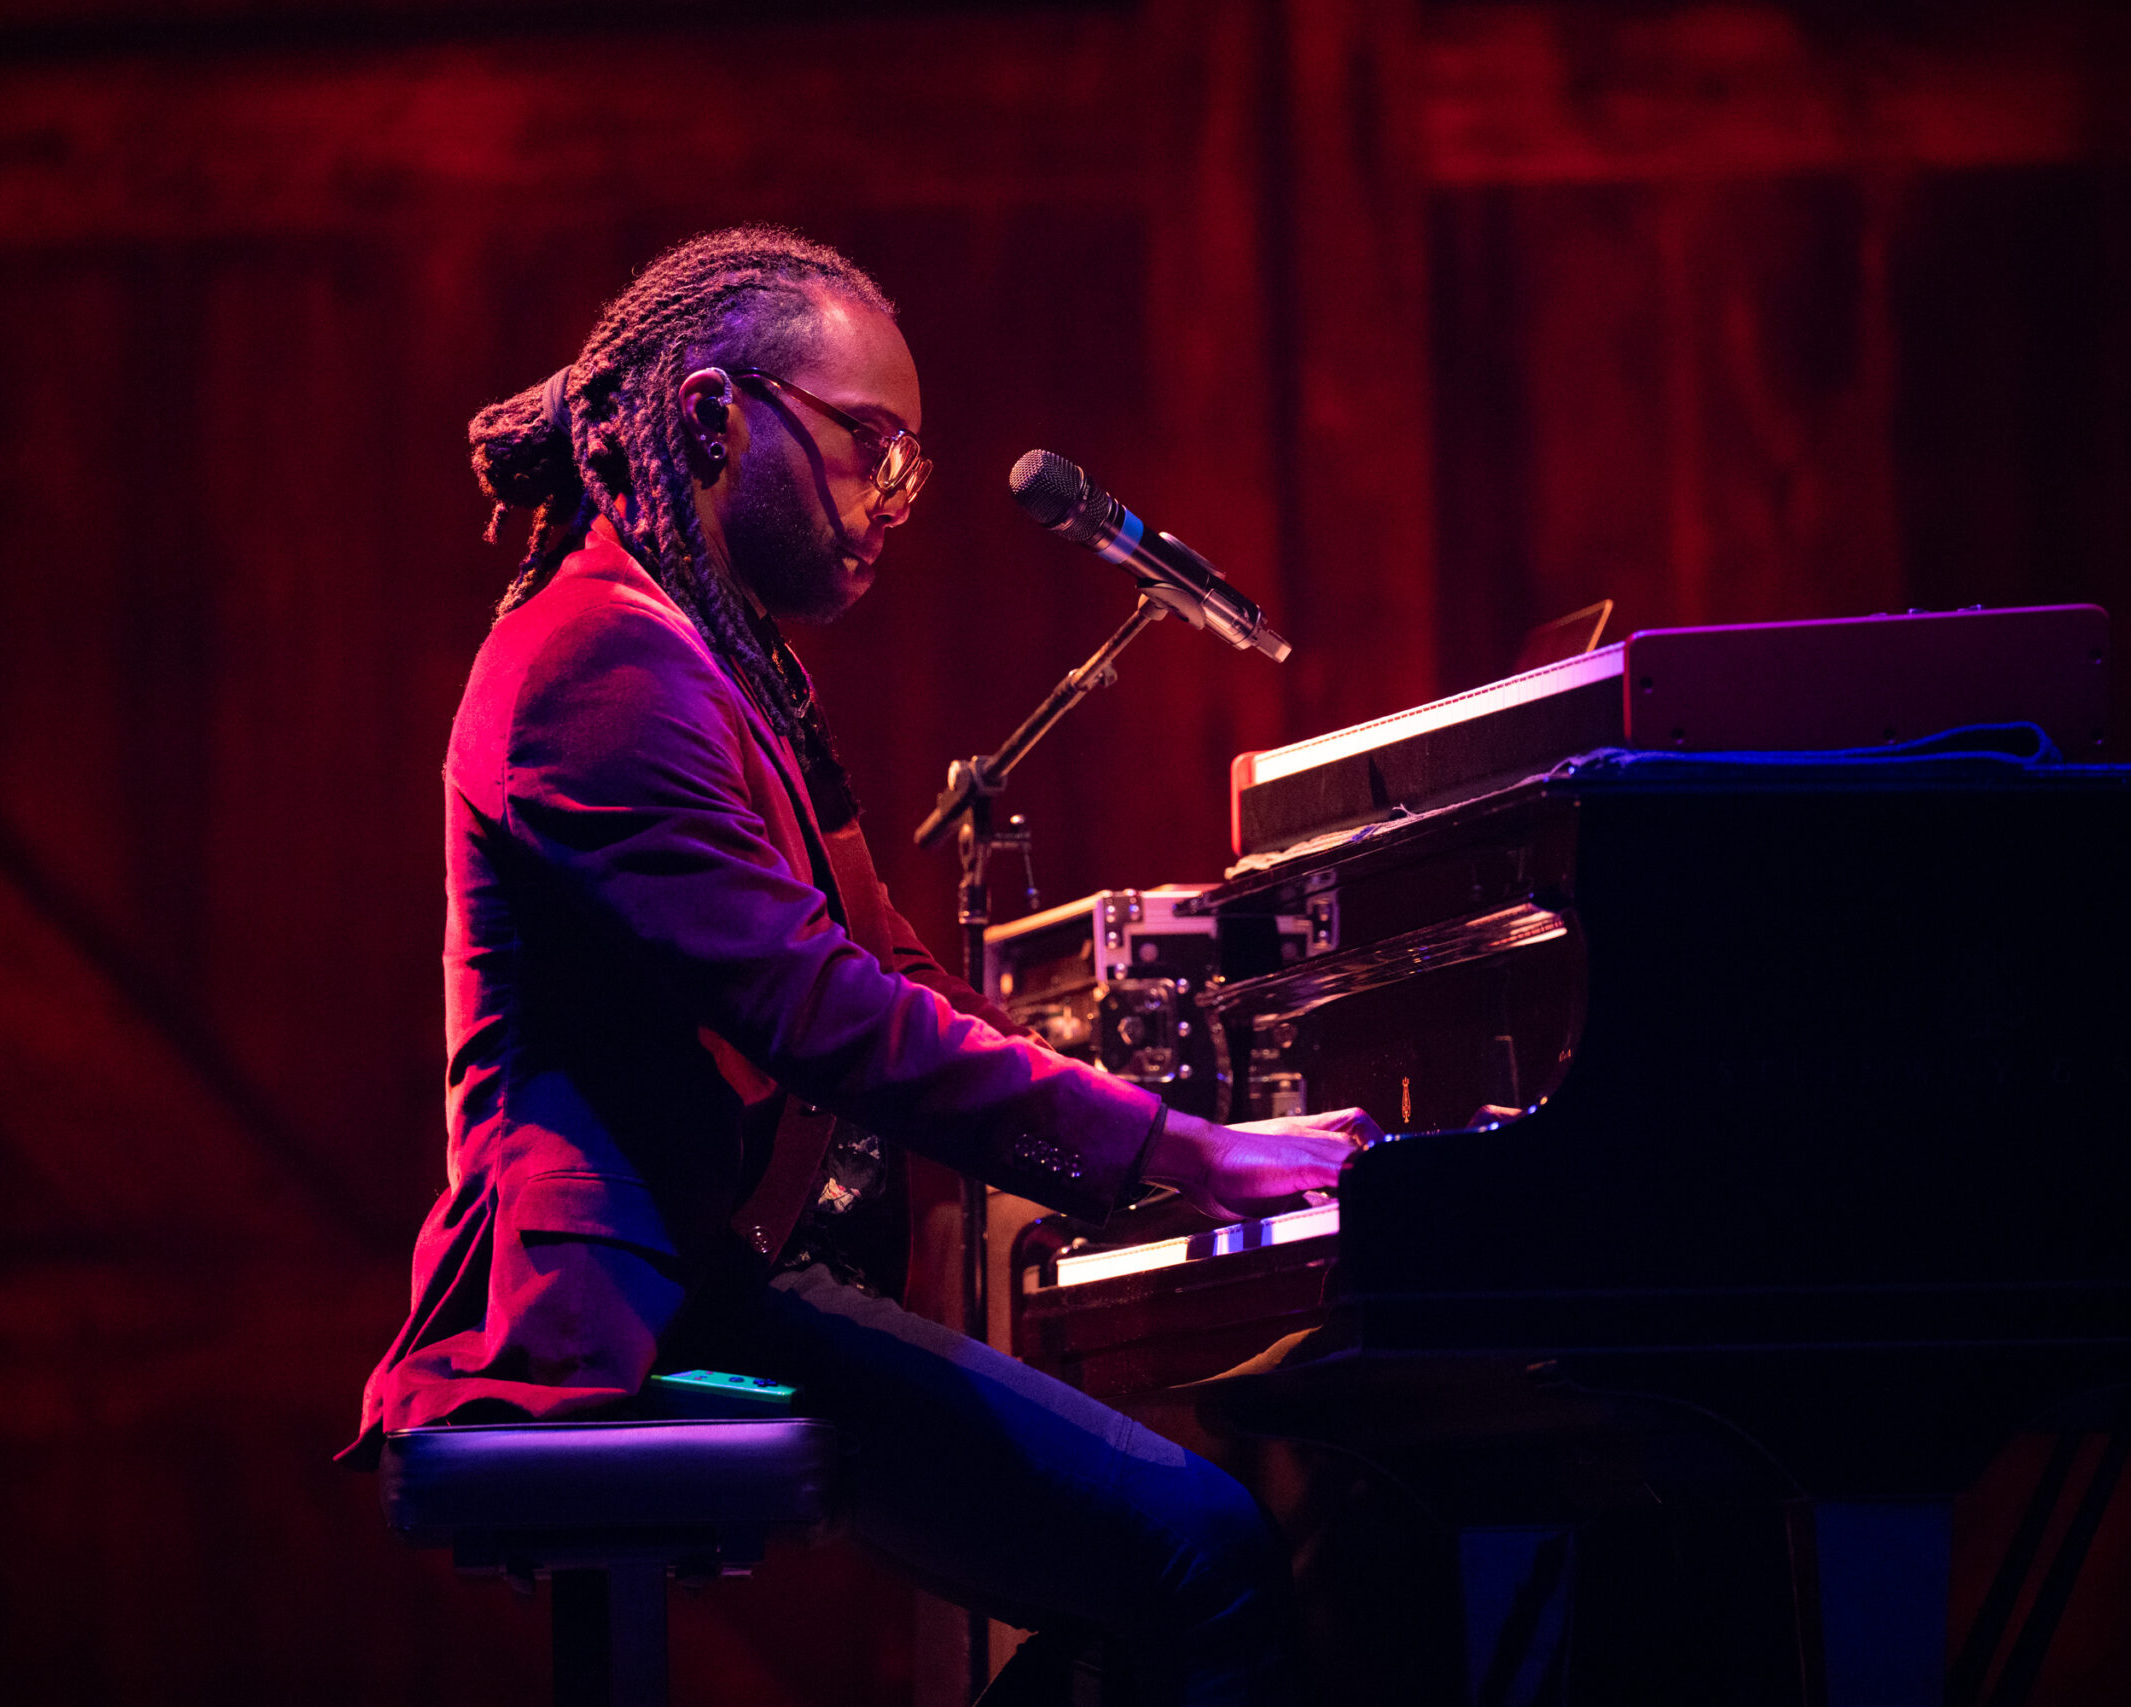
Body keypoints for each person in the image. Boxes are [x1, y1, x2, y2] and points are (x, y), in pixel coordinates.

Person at [343, 226, 1376, 1703]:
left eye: (909, 467)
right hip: (634, 1303)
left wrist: (1141, 1130)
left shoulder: (719, 657)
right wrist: (1182, 1154)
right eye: (867, 448)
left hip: (731, 1273)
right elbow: (820, 1011)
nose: (893, 502)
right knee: (1200, 1556)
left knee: (1178, 1566)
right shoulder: (597, 665)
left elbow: (888, 964)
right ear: (714, 418)